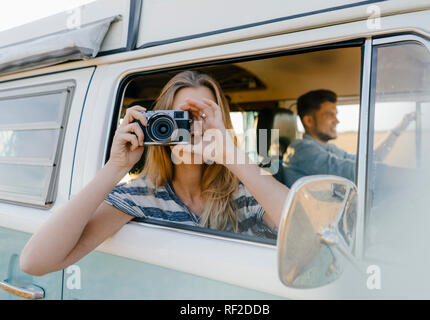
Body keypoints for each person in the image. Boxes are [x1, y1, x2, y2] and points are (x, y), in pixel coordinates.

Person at [19, 71, 289, 277]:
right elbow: (35, 262)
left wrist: (231, 154)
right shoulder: (139, 197)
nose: (193, 128)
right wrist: (115, 167)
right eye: (181, 117)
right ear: (160, 125)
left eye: (203, 116)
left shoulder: (243, 195)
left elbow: (304, 226)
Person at [282, 89, 415, 187]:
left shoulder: (328, 149)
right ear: (309, 121)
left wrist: (400, 128)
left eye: (336, 114)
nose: (337, 121)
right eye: (329, 115)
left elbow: (368, 160)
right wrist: (410, 177)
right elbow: (352, 172)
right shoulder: (301, 150)